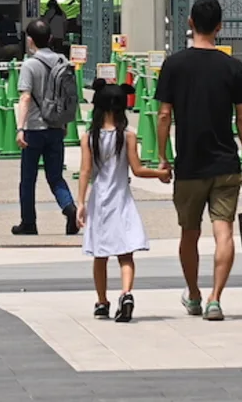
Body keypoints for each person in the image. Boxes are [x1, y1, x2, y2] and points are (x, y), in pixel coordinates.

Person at [154, 0, 242, 321]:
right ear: (220, 27)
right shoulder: (233, 67)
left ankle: (194, 293)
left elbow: (164, 115)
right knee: (223, 232)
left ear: (190, 24)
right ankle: (215, 298)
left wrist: (163, 157)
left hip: (189, 164)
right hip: (225, 163)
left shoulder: (174, 65)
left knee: (189, 233)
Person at [74, 79, 169, 322]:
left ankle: (102, 301)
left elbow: (85, 171)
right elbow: (137, 170)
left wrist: (81, 203)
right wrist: (160, 173)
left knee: (100, 255)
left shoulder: (89, 137)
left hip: (99, 199)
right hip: (121, 199)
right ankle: (126, 293)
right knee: (126, 254)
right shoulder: (127, 136)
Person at [11, 19, 81, 237]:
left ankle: (28, 222)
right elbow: (67, 96)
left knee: (28, 179)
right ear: (50, 38)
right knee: (56, 176)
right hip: (56, 127)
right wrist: (65, 122)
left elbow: (25, 97)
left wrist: (20, 128)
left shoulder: (30, 65)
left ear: (30, 40)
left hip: (34, 128)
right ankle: (70, 209)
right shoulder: (62, 61)